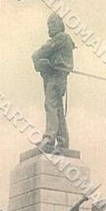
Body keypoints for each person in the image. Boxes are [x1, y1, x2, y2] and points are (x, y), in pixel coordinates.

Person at [32, 13, 76, 152]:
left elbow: (42, 52)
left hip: (57, 76)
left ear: (59, 25)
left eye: (52, 25)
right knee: (57, 109)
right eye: (48, 26)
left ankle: (49, 139)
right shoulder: (59, 39)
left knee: (51, 105)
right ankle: (62, 142)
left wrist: (39, 58)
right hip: (51, 77)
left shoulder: (62, 37)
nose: (49, 28)